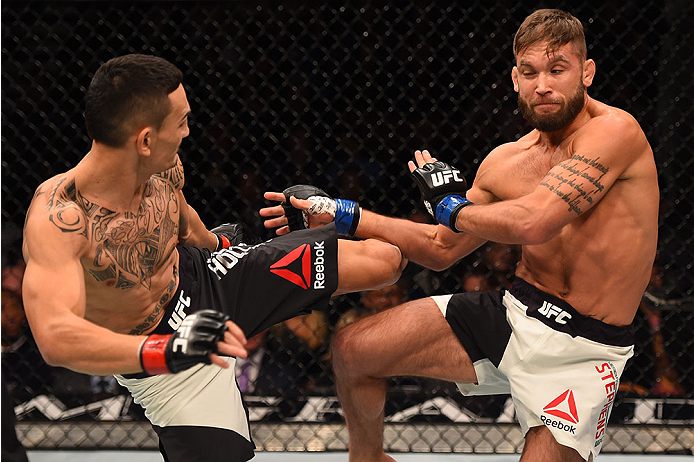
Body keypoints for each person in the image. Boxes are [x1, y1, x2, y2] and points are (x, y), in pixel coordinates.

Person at [261, 9, 658, 461]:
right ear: (514, 78)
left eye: (557, 69)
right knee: (355, 348)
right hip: (515, 314)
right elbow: (439, 248)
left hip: (584, 348)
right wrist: (342, 215)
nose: (542, 84)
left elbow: (536, 220)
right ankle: (367, 459)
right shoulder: (505, 161)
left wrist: (453, 208)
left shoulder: (616, 132)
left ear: (586, 72)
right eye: (529, 72)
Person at [21, 54, 405, 462]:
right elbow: (56, 338)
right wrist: (168, 352)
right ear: (145, 139)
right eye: (182, 122)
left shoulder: (161, 166)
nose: (189, 131)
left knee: (385, 261)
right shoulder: (61, 220)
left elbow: (181, 218)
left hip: (204, 276)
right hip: (162, 354)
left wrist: (217, 247)